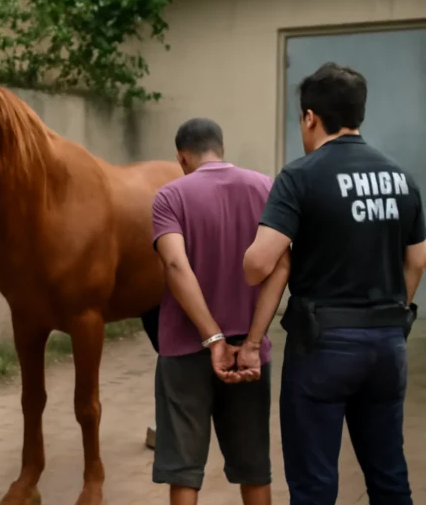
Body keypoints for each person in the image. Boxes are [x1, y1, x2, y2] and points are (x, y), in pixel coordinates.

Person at [244, 62, 426, 505]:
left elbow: (257, 265)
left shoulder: (300, 176)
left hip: (323, 348)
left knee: (314, 484)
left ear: (310, 117)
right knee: (388, 475)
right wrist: (390, 319)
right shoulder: (400, 177)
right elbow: (417, 259)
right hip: (387, 345)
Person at [151, 118, 289, 505]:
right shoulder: (266, 187)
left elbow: (176, 266)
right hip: (248, 354)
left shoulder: (169, 196)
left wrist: (212, 338)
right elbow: (281, 265)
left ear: (181, 157)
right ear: (221, 149)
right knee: (255, 470)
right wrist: (251, 340)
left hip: (183, 351)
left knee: (184, 473)